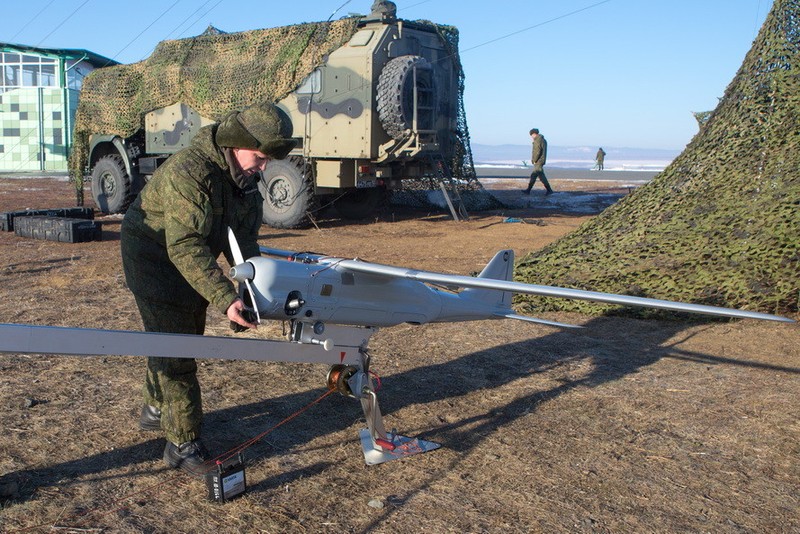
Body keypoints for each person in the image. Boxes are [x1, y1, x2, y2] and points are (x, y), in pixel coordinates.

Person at [120, 102, 296, 476]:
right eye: (259, 157)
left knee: (177, 333)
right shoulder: (191, 172)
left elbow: (245, 242)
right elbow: (183, 246)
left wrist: (250, 290)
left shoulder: (245, 181)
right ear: (236, 143)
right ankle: (182, 445)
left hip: (190, 253)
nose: (263, 167)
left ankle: (156, 409)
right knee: (178, 344)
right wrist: (224, 297)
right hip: (153, 256)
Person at [524, 128, 553, 195]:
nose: (531, 137)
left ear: (534, 134)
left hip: (538, 161)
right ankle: (528, 190)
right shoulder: (543, 140)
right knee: (538, 175)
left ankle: (549, 190)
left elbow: (537, 151)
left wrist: (534, 160)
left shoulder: (537, 141)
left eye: (531, 135)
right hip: (541, 160)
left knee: (536, 175)